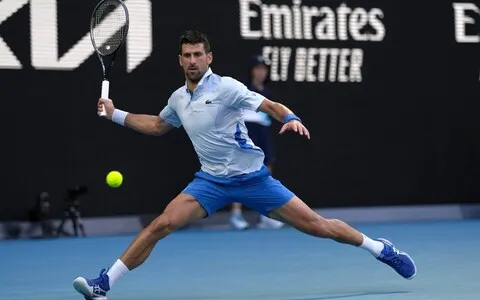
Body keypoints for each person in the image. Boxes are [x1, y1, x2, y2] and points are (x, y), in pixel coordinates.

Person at [73, 30, 416, 300]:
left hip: (254, 179)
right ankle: (104, 284)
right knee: (161, 224)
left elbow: (271, 106)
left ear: (209, 57)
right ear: (180, 60)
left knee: (318, 226)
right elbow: (157, 126)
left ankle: (379, 248)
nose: (193, 60)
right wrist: (115, 114)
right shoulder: (178, 99)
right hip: (209, 182)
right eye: (187, 56)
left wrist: (291, 117)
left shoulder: (228, 88)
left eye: (198, 54)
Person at [230, 55, 284, 230]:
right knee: (242, 172)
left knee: (266, 171)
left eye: (264, 69)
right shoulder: (245, 90)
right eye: (258, 68)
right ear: (252, 71)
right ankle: (236, 215)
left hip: (263, 133)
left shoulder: (268, 93)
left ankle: (265, 215)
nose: (261, 72)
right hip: (247, 131)